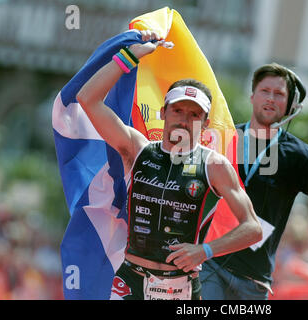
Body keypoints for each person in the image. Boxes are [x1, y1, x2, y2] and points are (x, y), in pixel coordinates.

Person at [75, 29, 262, 300]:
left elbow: (253, 228)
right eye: (177, 110)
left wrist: (205, 250)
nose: (184, 120)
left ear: (205, 122)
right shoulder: (136, 149)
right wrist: (129, 56)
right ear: (163, 113)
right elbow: (87, 99)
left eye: (194, 114)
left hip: (182, 288)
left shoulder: (214, 166)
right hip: (130, 279)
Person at [200, 62, 308, 300]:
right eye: (265, 91)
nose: (270, 98)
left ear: (290, 106)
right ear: (252, 97)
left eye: (279, 94)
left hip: (255, 282)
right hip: (210, 264)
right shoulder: (225, 140)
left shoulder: (300, 157)